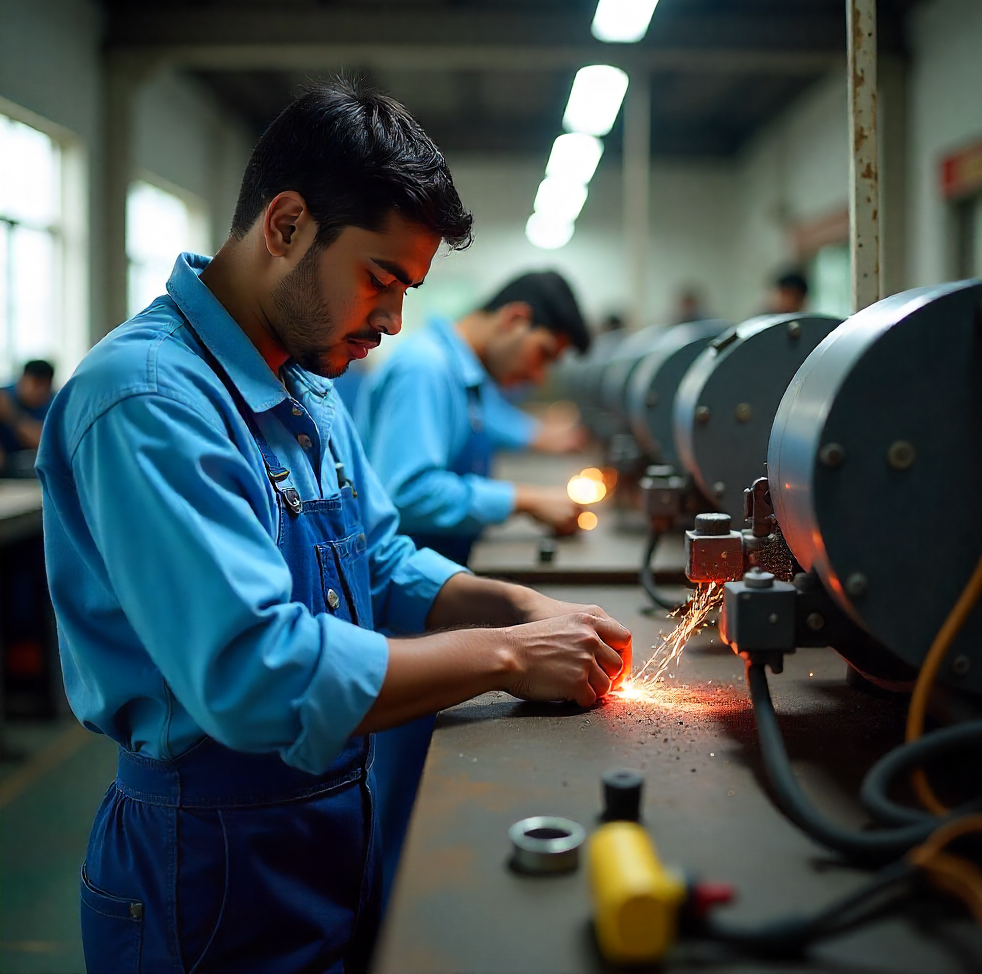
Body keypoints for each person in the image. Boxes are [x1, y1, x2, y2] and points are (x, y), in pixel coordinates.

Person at [36, 80, 631, 974]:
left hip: (330, 817)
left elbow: (379, 560)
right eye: (380, 279)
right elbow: (254, 672)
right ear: (285, 226)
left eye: (408, 290)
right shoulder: (149, 401)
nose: (392, 322)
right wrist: (506, 656)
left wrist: (512, 604)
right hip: (205, 860)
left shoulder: (308, 388)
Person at [355, 271, 591, 568]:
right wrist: (522, 499)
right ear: (514, 319)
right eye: (543, 354)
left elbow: (495, 424)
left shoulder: (462, 373)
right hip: (401, 572)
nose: (537, 376)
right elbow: (407, 493)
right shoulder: (425, 368)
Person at [0, 359, 55, 476]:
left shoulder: (53, 404)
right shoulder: (5, 395)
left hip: (31, 467)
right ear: (22, 380)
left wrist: (13, 416)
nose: (39, 391)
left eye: (44, 386)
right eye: (35, 384)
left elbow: (42, 443)